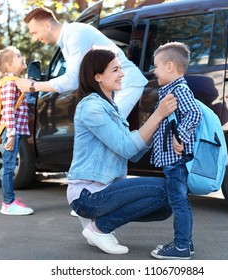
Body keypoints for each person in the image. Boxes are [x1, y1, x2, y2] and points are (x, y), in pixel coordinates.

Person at [66, 47, 177, 255]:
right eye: (115, 70)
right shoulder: (92, 108)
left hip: (105, 189)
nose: (122, 74)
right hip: (89, 194)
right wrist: (158, 114)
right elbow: (127, 148)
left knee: (166, 206)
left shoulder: (110, 106)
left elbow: (132, 152)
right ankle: (99, 229)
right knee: (165, 190)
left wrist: (160, 124)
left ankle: (99, 225)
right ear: (97, 76)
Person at [16, 7, 147, 118]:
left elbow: (72, 80)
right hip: (115, 88)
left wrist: (33, 86)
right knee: (105, 137)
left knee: (108, 135)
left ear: (47, 26)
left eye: (34, 32)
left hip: (126, 84)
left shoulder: (75, 34)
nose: (34, 38)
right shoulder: (67, 39)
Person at [150, 42, 202, 259]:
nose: (154, 71)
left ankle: (180, 247)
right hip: (174, 160)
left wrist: (179, 135)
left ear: (170, 66)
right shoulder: (173, 90)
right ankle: (185, 244)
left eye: (156, 67)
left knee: (179, 202)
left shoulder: (179, 89)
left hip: (176, 160)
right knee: (181, 202)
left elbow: (194, 113)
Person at [0, 46, 34, 216]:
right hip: (10, 132)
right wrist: (11, 134)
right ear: (8, 64)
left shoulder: (15, 81)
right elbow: (8, 110)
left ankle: (11, 199)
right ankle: (8, 203)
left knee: (9, 165)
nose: (23, 57)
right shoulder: (9, 84)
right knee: (8, 167)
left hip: (13, 131)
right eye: (18, 55)